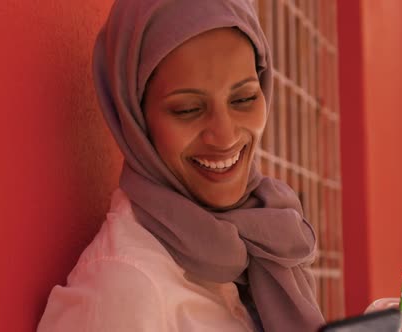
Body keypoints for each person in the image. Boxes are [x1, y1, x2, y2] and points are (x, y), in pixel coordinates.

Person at [37, 0, 325, 331]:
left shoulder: (265, 239)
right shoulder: (123, 290)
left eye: (243, 99)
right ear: (135, 120)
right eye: (188, 109)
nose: (224, 136)